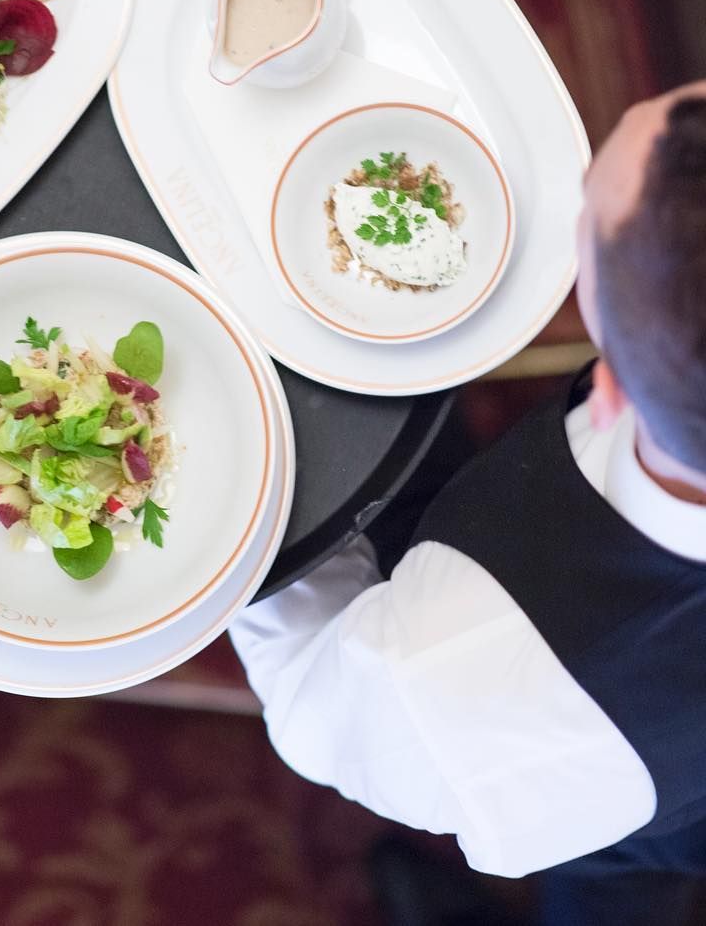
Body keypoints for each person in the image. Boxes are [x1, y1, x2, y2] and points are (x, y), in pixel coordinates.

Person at [230, 83, 706, 926]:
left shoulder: (459, 678)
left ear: (611, 390)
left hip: (630, 789)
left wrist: (256, 454)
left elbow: (313, 690)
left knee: (615, 886)